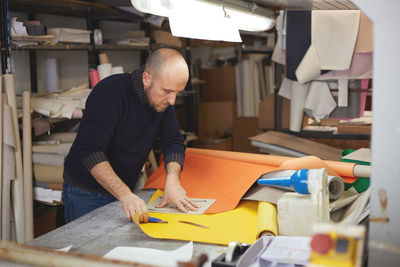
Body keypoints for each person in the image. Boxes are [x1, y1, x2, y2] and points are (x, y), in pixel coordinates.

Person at [62, 48, 198, 223]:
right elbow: (90, 151)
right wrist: (125, 195)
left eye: (177, 93)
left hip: (125, 190)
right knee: (87, 249)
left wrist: (172, 179)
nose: (172, 101)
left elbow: (173, 140)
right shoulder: (110, 92)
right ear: (146, 78)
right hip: (87, 193)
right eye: (167, 91)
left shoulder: (162, 101)